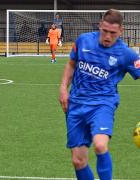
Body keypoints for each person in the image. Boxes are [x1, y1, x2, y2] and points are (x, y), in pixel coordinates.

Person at [59, 9, 140, 180]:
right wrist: (63, 89)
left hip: (103, 104)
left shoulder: (126, 54)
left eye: (112, 33)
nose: (108, 37)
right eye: (105, 31)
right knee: (78, 161)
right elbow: (71, 64)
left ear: (121, 31)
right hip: (76, 104)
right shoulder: (83, 41)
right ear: (100, 26)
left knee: (100, 146)